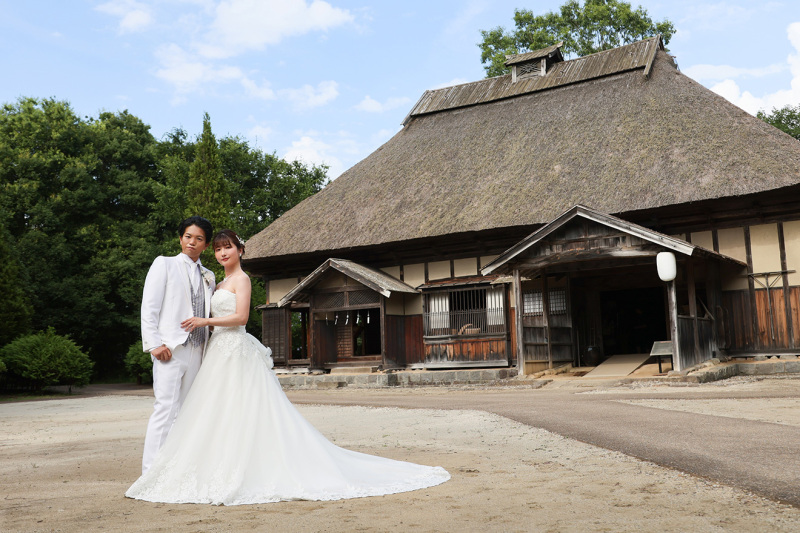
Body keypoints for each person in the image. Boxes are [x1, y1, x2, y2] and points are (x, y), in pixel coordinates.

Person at [126, 230, 450, 505]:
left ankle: (246, 467)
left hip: (234, 347)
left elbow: (240, 319)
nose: (223, 252)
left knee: (244, 409)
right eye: (219, 248)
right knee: (216, 411)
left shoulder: (242, 279)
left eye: (229, 247)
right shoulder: (214, 282)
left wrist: (204, 320)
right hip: (215, 352)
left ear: (240, 251)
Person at [139, 216, 215, 475]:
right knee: (165, 409)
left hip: (198, 351)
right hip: (170, 350)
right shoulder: (165, 264)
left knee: (187, 412)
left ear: (206, 244)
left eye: (199, 239)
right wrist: (154, 344)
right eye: (188, 237)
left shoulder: (209, 276)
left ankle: (176, 470)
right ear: (180, 238)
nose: (192, 243)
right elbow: (149, 306)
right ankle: (151, 472)